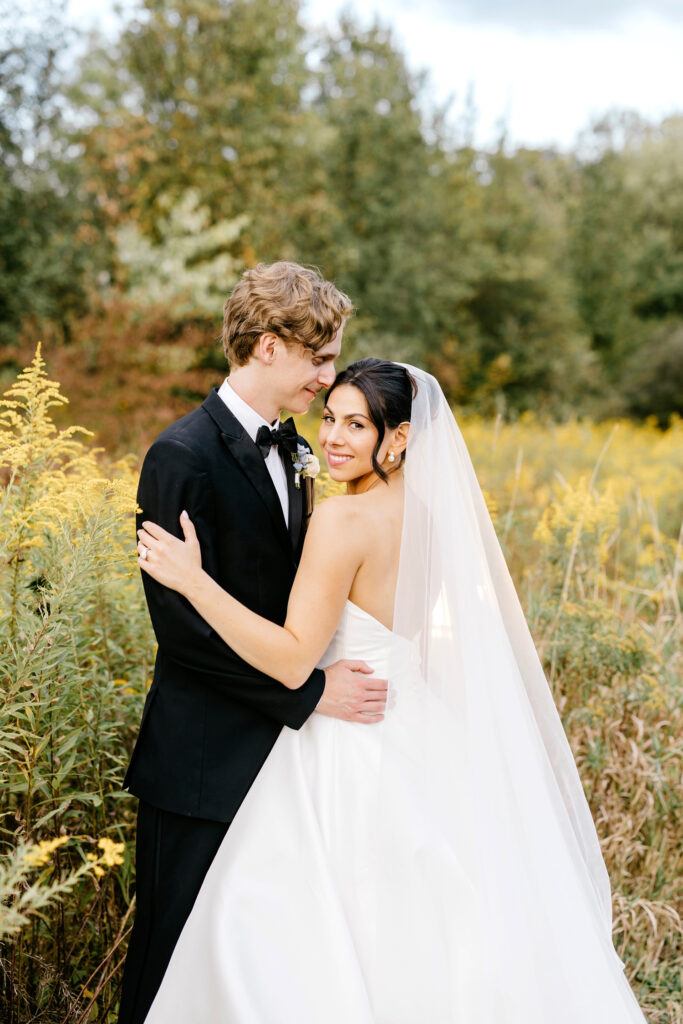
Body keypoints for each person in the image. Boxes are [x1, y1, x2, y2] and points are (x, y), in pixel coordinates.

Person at [136, 358, 649, 1023]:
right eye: (329, 418)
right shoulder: (434, 520)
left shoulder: (342, 523)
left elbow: (295, 662)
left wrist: (194, 582)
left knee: (289, 930)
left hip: (344, 743)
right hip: (413, 729)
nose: (333, 438)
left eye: (356, 424)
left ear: (399, 438)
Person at [117, 263, 390, 1024]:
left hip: (285, 768)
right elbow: (183, 631)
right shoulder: (181, 456)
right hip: (202, 762)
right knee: (170, 970)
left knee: (253, 978)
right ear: (268, 347)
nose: (329, 377)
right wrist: (308, 692)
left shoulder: (299, 449)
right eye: (319, 358)